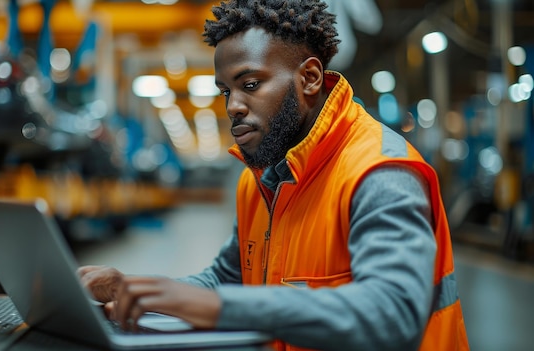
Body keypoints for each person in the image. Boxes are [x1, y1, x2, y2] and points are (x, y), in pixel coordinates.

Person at [78, 1, 469, 350]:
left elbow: (393, 315)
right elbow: (227, 280)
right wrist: (133, 290)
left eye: (250, 85)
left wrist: (214, 307)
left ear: (310, 78)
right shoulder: (262, 179)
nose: (233, 106)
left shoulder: (379, 172)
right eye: (225, 91)